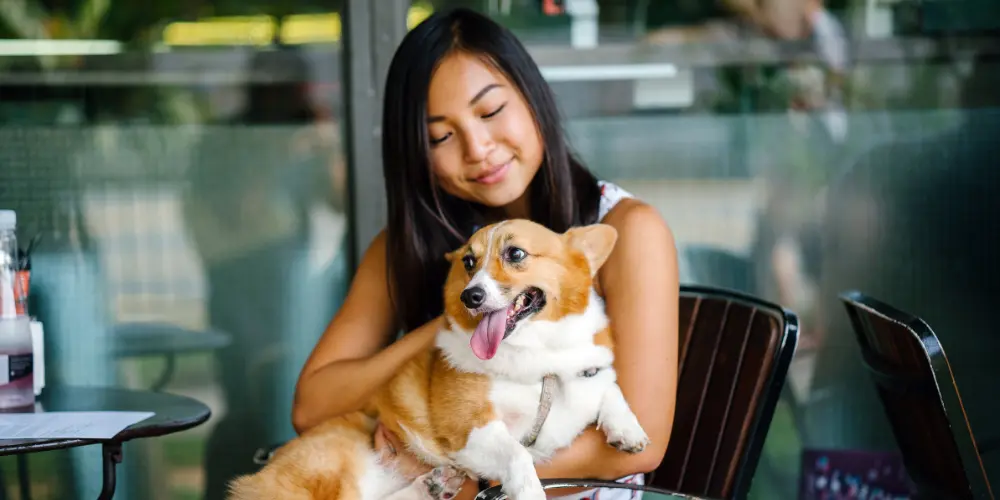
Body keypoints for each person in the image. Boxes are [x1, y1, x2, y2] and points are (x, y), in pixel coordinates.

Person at [292, 8, 679, 500]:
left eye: (491, 111)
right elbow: (312, 407)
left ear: (533, 98)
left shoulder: (624, 230)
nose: (477, 148)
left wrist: (462, 483)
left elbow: (639, 444)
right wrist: (462, 317)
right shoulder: (409, 246)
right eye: (441, 136)